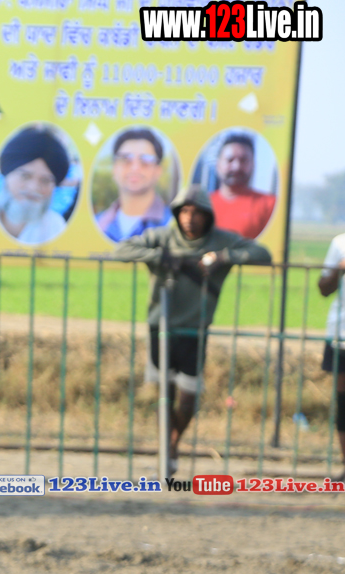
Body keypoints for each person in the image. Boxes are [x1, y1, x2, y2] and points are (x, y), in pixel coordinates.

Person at [114, 185, 270, 476]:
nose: (190, 218)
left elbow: (262, 254)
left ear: (207, 216)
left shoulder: (220, 240)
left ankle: (173, 442)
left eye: (197, 212)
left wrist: (224, 258)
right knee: (164, 395)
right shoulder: (163, 237)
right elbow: (121, 250)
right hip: (161, 327)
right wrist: (160, 257)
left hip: (195, 330)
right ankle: (167, 452)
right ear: (176, 214)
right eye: (184, 211)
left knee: (187, 398)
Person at [0, 126, 71, 245]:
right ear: (7, 174)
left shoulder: (55, 227)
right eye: (25, 176)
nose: (33, 188)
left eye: (45, 180)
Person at [97, 128, 171, 243]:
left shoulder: (172, 224)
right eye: (125, 159)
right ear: (114, 168)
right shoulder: (98, 223)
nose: (135, 168)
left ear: (158, 171)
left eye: (145, 160)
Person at [208, 133, 276, 240]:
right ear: (218, 164)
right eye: (230, 160)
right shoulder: (202, 204)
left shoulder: (270, 205)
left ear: (253, 165)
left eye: (243, 160)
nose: (236, 167)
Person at [317, 233, 345, 480]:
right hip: (342, 334)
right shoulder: (340, 243)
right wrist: (339, 269)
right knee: (344, 401)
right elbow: (324, 288)